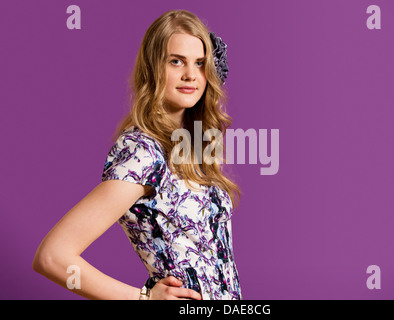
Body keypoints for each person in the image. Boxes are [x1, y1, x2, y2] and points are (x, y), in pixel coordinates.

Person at [32, 9, 242, 300]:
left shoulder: (192, 149)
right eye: (176, 61)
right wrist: (144, 299)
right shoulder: (142, 152)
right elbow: (52, 257)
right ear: (154, 67)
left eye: (200, 63)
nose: (191, 75)